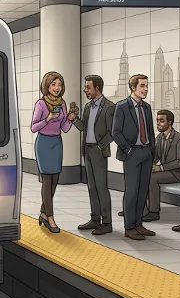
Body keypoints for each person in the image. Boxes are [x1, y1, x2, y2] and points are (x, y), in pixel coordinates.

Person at [30, 71, 77, 234]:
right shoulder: (41, 104)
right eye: (53, 84)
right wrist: (48, 118)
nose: (57, 88)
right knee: (47, 182)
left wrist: (69, 119)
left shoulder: (62, 103)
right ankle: (50, 218)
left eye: (59, 85)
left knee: (55, 180)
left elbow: (64, 128)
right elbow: (34, 127)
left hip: (57, 143)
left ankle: (43, 213)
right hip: (43, 143)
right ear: (47, 86)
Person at [111, 74, 156, 240]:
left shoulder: (147, 108)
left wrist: (152, 152)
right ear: (133, 88)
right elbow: (116, 131)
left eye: (146, 85)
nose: (145, 89)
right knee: (131, 191)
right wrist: (128, 150)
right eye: (142, 86)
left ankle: (138, 224)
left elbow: (150, 131)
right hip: (132, 153)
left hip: (146, 152)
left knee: (143, 190)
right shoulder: (122, 106)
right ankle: (129, 227)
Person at [72, 75, 116, 235]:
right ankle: (95, 219)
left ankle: (107, 222)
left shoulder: (109, 107)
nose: (85, 90)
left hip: (99, 151)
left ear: (97, 88)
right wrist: (74, 119)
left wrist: (100, 146)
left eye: (88, 87)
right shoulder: (87, 107)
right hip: (87, 150)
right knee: (91, 187)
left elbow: (113, 132)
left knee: (101, 187)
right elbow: (83, 127)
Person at [144, 110, 180, 222]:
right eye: (157, 120)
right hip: (165, 172)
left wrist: (160, 168)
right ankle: (141, 209)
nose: (158, 123)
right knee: (142, 174)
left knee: (152, 178)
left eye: (162, 121)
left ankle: (154, 212)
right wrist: (149, 166)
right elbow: (156, 157)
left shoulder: (179, 138)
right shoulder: (159, 138)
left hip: (177, 173)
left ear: (170, 122)